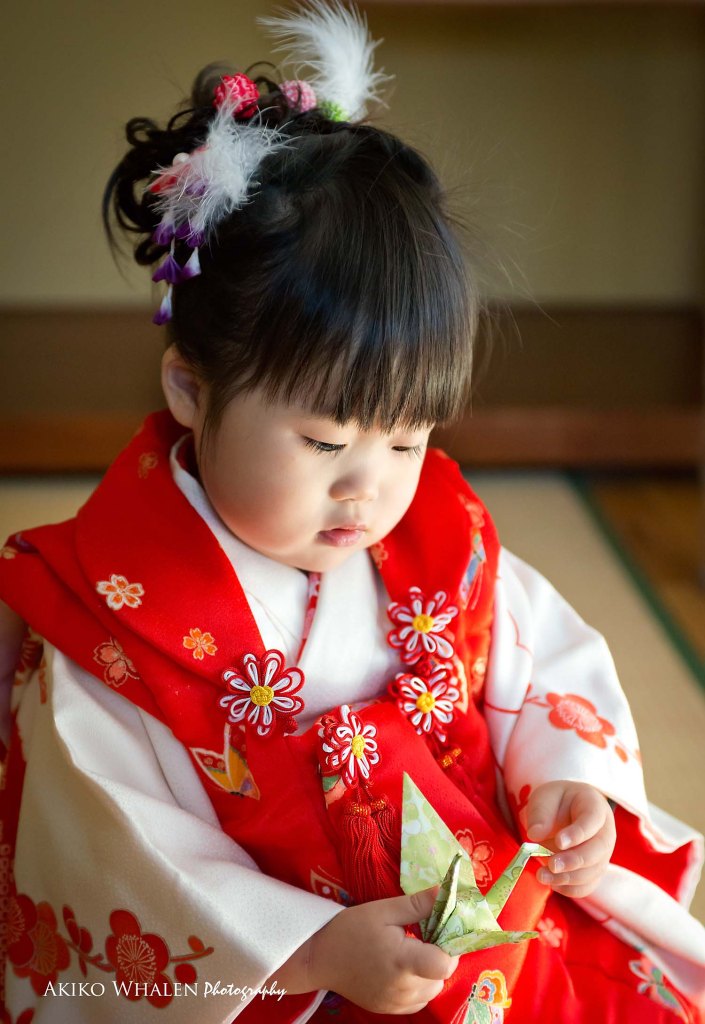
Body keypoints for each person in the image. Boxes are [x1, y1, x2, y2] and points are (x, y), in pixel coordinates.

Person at [1, 3, 704, 1022]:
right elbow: (123, 855)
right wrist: (315, 952)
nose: (368, 488)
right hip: (283, 980)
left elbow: (541, 671)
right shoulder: (109, 627)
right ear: (192, 391)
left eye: (410, 439)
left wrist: (570, 787)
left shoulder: (437, 544)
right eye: (327, 442)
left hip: (479, 943)